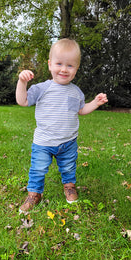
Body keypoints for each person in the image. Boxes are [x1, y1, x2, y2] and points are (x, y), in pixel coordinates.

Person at [16, 38, 108, 213]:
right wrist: (22, 82)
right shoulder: (42, 88)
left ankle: (69, 187)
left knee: (68, 167)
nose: (64, 69)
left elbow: (81, 110)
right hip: (43, 143)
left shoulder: (76, 91)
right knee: (38, 169)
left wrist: (95, 103)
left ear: (76, 68)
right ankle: (34, 194)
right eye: (59, 64)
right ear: (50, 65)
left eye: (70, 65)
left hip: (68, 142)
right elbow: (22, 101)